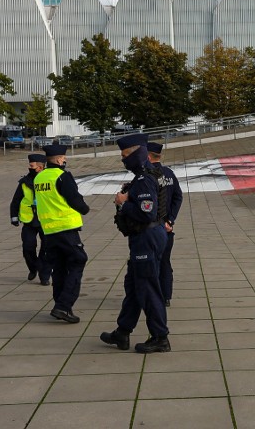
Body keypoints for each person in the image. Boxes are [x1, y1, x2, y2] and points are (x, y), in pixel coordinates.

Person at [101, 134, 171, 353]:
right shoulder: (145, 175)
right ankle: (122, 332)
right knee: (133, 286)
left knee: (148, 288)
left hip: (147, 237)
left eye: (124, 156)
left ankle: (160, 337)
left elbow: (146, 212)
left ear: (135, 153)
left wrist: (123, 203)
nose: (123, 161)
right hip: (147, 237)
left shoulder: (144, 179)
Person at [33, 144, 90, 323]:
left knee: (58, 269)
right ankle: (63, 306)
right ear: (59, 160)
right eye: (64, 158)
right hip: (66, 228)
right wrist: (85, 208)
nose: (65, 161)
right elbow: (74, 199)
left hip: (49, 231)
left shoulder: (39, 178)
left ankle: (61, 306)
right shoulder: (62, 176)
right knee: (77, 261)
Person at [147, 142, 183, 307]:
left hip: (151, 229)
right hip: (167, 228)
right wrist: (171, 220)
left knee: (150, 263)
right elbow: (178, 197)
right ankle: (166, 296)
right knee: (165, 262)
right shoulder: (169, 173)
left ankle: (151, 295)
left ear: (148, 156)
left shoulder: (147, 175)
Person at [10, 153, 51, 285]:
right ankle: (33, 268)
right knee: (28, 247)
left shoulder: (49, 180)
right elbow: (16, 200)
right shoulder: (24, 182)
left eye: (31, 165)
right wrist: (14, 216)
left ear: (40, 167)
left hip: (45, 219)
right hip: (29, 220)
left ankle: (44, 276)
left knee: (46, 249)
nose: (29, 168)